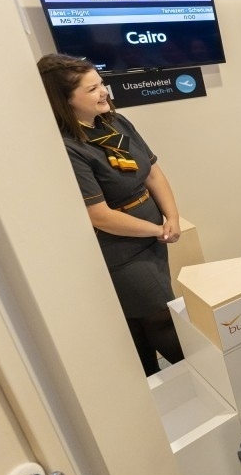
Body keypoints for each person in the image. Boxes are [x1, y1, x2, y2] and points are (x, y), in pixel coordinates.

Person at [36, 54, 184, 377]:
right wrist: (156, 229)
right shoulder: (69, 147)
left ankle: (154, 384)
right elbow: (100, 216)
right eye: (92, 89)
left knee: (138, 325)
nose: (104, 91)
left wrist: (172, 217)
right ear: (65, 100)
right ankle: (203, 376)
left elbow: (152, 172)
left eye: (101, 83)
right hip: (121, 252)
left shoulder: (115, 122)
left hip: (153, 239)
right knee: (161, 318)